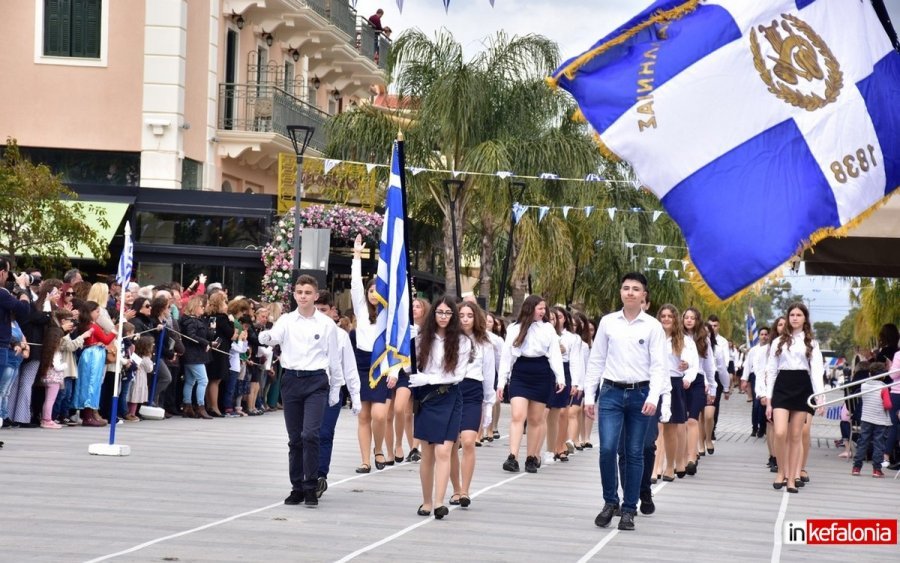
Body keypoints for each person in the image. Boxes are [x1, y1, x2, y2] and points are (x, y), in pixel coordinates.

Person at [584, 272, 666, 532]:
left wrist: (654, 397)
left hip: (641, 395)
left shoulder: (652, 326)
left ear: (644, 295)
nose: (630, 292)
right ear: (621, 292)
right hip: (611, 393)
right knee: (607, 449)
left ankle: (629, 509)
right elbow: (596, 360)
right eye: (626, 288)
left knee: (634, 452)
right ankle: (611, 502)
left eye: (636, 289)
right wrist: (589, 395)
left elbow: (659, 366)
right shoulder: (608, 323)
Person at [258, 275, 345, 508]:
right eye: (299, 292)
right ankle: (296, 487)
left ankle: (310, 485)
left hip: (316, 381)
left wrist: (336, 389)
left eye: (307, 292)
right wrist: (265, 336)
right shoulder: (287, 320)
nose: (303, 296)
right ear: (294, 295)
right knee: (295, 438)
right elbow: (273, 337)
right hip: (292, 380)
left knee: (311, 434)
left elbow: (334, 360)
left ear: (316, 296)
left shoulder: (326, 324)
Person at [409, 297, 470, 520]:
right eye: (440, 312)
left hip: (448, 395)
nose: (443, 317)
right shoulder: (421, 338)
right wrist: (405, 348)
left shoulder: (462, 341)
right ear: (433, 314)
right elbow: (409, 365)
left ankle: (439, 502)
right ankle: (426, 500)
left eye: (448, 313)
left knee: (444, 450)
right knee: (427, 454)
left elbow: (458, 374)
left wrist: (428, 378)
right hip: (426, 398)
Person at [497, 295, 565, 474]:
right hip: (520, 371)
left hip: (541, 371)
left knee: (535, 419)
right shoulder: (514, 328)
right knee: (518, 415)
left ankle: (531, 458)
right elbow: (506, 356)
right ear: (530, 308)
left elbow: (555, 354)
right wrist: (501, 382)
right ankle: (512, 456)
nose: (543, 311)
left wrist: (560, 378)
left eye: (544, 308)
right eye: (540, 308)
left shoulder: (548, 329)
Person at [765, 303, 825, 493]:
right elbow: (771, 370)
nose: (795, 318)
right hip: (782, 386)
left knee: (796, 435)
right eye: (792, 314)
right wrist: (768, 398)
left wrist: (820, 397)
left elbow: (816, 371)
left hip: (802, 387)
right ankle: (781, 471)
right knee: (780, 432)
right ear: (788, 317)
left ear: (805, 318)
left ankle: (792, 477)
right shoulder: (778, 342)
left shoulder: (812, 343)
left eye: (799, 315)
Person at [314, 290, 362, 498]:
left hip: (331, 389)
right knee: (304, 435)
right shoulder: (301, 330)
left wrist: (356, 396)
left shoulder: (341, 336)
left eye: (323, 310)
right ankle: (303, 475)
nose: (319, 313)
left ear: (333, 311)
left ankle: (319, 476)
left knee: (324, 433)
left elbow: (349, 368)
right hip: (305, 388)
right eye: (315, 309)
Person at [448, 301, 495, 508]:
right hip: (450, 390)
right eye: (462, 315)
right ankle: (456, 489)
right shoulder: (448, 339)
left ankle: (466, 490)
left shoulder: (485, 343)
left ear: (476, 318)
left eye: (469, 315)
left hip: (473, 392)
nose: (465, 319)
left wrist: (488, 405)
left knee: (468, 441)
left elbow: (488, 374)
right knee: (450, 445)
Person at [351, 235, 390, 473]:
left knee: (379, 414)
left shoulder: (389, 313)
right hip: (361, 362)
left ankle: (378, 448)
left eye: (378, 291)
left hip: (381, 364)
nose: (373, 294)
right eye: (371, 290)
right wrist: (356, 255)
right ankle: (365, 460)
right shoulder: (361, 309)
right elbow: (355, 283)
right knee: (363, 415)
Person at [851, 362, 891, 478]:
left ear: (870, 373)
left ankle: (856, 467)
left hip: (866, 418)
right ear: (884, 376)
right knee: (879, 444)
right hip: (880, 420)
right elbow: (888, 405)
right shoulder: (884, 387)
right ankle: (877, 470)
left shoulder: (864, 385)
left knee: (863, 442)